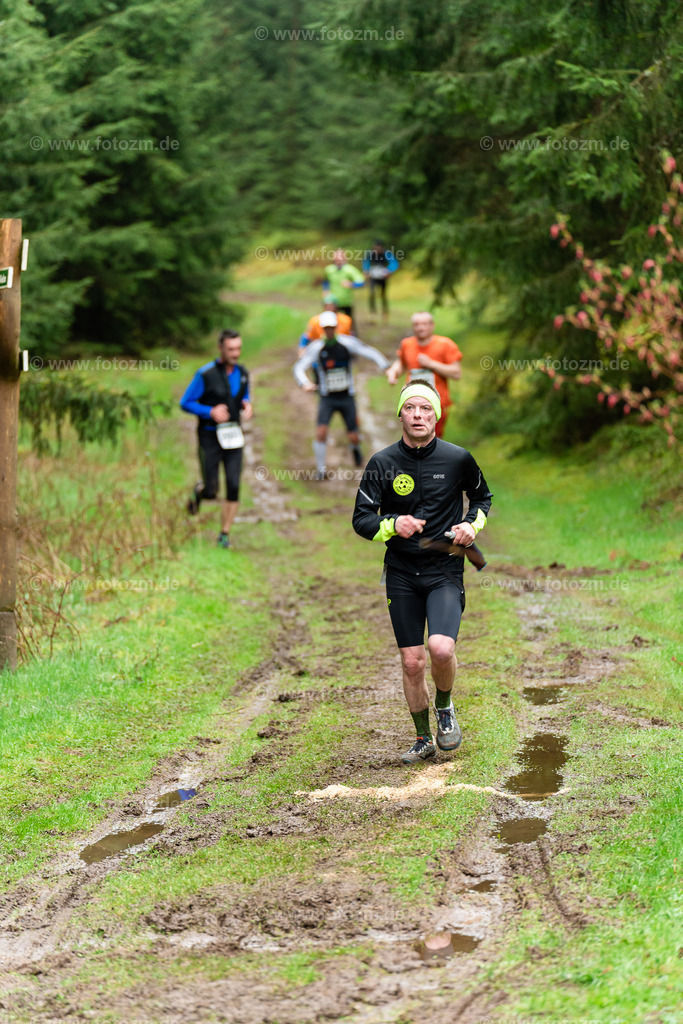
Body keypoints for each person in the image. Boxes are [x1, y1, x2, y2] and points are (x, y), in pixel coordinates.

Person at [352, 381, 492, 764]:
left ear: (436, 415)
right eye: (410, 408)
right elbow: (361, 520)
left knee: (440, 648)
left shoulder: (458, 458)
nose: (417, 415)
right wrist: (393, 524)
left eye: (425, 409)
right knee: (412, 660)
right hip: (401, 572)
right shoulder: (382, 463)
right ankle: (422, 736)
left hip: (445, 568)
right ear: (401, 414)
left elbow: (482, 497)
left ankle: (444, 708)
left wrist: (470, 527)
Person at [293, 311, 389, 479]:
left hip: (346, 396)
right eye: (326, 328)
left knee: (353, 435)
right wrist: (305, 383)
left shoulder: (348, 343)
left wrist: (385, 366)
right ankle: (320, 470)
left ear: (336, 327)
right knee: (321, 431)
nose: (329, 331)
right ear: (322, 328)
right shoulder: (316, 347)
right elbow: (299, 367)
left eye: (331, 327)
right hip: (327, 397)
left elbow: (369, 351)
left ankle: (356, 448)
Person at [180, 329, 252, 549]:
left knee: (233, 484)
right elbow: (185, 402)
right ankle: (199, 493)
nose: (235, 353)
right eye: (231, 349)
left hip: (233, 436)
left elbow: (243, 395)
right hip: (210, 436)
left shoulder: (242, 372)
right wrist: (209, 411)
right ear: (220, 348)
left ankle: (224, 535)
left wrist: (246, 403)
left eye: (238, 348)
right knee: (212, 490)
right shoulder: (205, 374)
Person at [386, 312, 463, 438]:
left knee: (432, 441)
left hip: (436, 403)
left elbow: (457, 373)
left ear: (432, 325)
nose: (420, 328)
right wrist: (393, 372)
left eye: (424, 324)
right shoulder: (407, 344)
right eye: (416, 324)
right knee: (412, 440)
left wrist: (431, 364)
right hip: (411, 403)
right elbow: (402, 363)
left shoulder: (445, 345)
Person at [323, 248, 365, 332]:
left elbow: (361, 282)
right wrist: (325, 290)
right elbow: (325, 281)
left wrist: (351, 284)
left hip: (346, 301)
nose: (338, 259)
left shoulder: (350, 270)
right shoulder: (329, 269)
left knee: (349, 321)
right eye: (336, 257)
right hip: (333, 302)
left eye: (340, 257)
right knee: (331, 322)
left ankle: (352, 336)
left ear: (344, 258)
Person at [362, 240, 399, 320]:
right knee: (372, 294)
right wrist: (366, 271)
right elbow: (366, 263)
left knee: (383, 295)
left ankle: (385, 312)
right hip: (373, 276)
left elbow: (394, 263)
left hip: (382, 277)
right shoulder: (370, 254)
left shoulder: (386, 254)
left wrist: (389, 271)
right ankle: (372, 312)